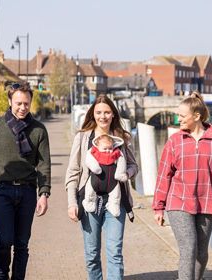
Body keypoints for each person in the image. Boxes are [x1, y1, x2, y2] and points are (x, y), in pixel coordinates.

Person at [153, 92, 212, 280]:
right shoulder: (175, 141)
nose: (178, 119)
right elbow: (164, 175)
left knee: (201, 253)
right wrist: (159, 206)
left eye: (182, 116)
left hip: (206, 203)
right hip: (178, 202)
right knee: (188, 248)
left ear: (196, 116)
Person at [0, 82, 51, 280]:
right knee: (4, 240)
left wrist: (44, 194)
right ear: (9, 101)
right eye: (18, 103)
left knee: (22, 243)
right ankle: (2, 275)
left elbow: (44, 164)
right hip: (0, 190)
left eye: (26, 104)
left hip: (27, 192)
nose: (23, 108)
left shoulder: (38, 130)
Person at [65, 94, 138, 280]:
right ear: (93, 114)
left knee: (114, 252)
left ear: (113, 114)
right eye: (98, 112)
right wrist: (71, 203)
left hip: (116, 201)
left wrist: (126, 174)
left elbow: (133, 165)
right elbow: (73, 172)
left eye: (107, 112)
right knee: (92, 254)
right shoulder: (83, 138)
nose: (103, 117)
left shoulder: (121, 138)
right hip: (89, 201)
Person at [83, 134, 128, 217]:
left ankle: (113, 206)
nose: (108, 151)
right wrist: (94, 167)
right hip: (95, 181)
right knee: (89, 191)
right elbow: (89, 159)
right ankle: (89, 203)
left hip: (112, 183)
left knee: (116, 195)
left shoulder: (116, 153)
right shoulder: (93, 151)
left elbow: (122, 162)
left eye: (110, 148)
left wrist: (121, 174)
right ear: (98, 146)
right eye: (105, 148)